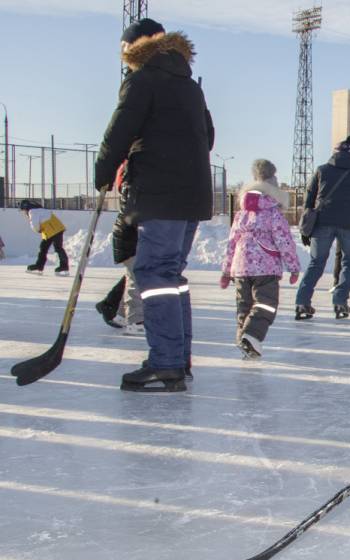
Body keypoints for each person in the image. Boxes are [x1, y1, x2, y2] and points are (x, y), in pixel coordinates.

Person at [94, 17, 214, 392]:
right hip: (192, 194)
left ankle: (166, 362)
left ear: (134, 49)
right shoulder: (190, 86)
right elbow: (208, 137)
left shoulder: (141, 80)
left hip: (161, 194)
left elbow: (119, 130)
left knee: (154, 274)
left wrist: (104, 170)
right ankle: (178, 360)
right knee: (171, 277)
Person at [220, 159, 301, 359]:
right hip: (265, 267)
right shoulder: (273, 213)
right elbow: (284, 242)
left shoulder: (241, 214)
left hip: (240, 267)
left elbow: (232, 243)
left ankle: (245, 341)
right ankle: (251, 336)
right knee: (266, 304)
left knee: (244, 306)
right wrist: (293, 267)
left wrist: (226, 270)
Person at [295, 136, 350, 320]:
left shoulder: (321, 171)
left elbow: (309, 200)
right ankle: (340, 302)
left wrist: (305, 228)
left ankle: (302, 302)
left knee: (316, 263)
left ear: (335, 152)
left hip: (322, 223)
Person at [94, 161, 144, 336]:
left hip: (130, 235)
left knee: (134, 276)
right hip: (129, 237)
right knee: (136, 279)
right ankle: (135, 320)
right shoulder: (132, 193)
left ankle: (120, 313)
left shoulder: (132, 192)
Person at [20, 200, 69, 275]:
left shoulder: (32, 211)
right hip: (52, 230)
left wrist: (38, 230)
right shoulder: (39, 209)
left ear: (26, 208)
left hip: (54, 230)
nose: (24, 213)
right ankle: (39, 266)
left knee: (57, 247)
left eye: (23, 210)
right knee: (43, 248)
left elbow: (35, 225)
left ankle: (64, 266)